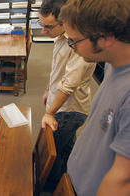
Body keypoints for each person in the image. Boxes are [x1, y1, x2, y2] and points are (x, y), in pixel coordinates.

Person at [59, 0, 130, 195]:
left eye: (74, 41)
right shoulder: (111, 63)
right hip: (76, 180)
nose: (72, 47)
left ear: (106, 38)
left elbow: (122, 179)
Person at [38, 0, 96, 191]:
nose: (43, 31)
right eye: (41, 25)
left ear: (65, 22)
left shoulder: (78, 43)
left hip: (69, 110)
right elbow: (57, 69)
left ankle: (53, 188)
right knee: (65, 149)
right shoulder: (61, 36)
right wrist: (49, 89)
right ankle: (65, 183)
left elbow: (69, 85)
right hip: (60, 105)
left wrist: (50, 112)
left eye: (48, 27)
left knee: (51, 154)